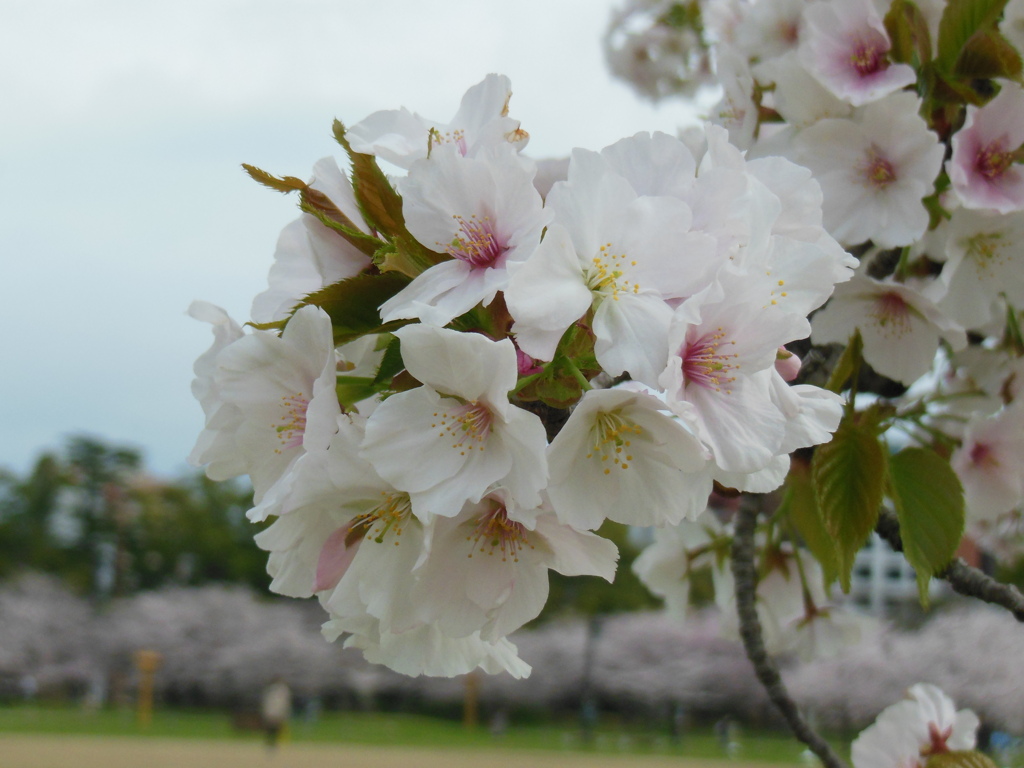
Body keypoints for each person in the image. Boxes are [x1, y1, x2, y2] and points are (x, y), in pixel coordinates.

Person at [260, 676, 292, 751]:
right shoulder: (282, 690)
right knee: (273, 729)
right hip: (275, 712)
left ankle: (271, 744)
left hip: (273, 712)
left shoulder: (274, 690)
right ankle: (271, 743)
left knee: (273, 729)